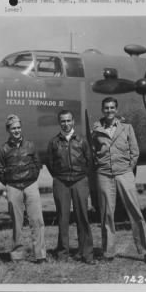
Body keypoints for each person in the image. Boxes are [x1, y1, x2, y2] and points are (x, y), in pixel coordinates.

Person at [92, 97, 146, 264]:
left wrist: (127, 168)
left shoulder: (127, 128)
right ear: (102, 109)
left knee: (135, 211)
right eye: (106, 108)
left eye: (112, 108)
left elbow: (135, 151)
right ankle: (108, 252)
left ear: (116, 110)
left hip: (124, 173)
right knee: (107, 214)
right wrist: (100, 166)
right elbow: (93, 151)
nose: (109, 110)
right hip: (104, 175)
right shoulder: (96, 130)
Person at [0, 114, 47, 264]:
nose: (16, 131)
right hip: (13, 188)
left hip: (30, 186)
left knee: (37, 220)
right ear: (8, 130)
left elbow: (38, 164)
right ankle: (17, 254)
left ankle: (40, 254)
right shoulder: (3, 149)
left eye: (18, 127)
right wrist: (10, 183)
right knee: (17, 223)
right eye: (13, 128)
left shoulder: (30, 145)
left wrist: (31, 178)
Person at [46, 110, 95, 264]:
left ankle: (86, 254)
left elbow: (89, 161)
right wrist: (60, 176)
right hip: (61, 182)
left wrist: (80, 175)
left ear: (73, 121)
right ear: (59, 123)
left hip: (79, 181)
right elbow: (50, 163)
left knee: (83, 217)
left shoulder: (82, 140)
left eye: (68, 120)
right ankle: (62, 254)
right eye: (63, 121)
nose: (66, 124)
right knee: (63, 218)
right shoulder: (54, 142)